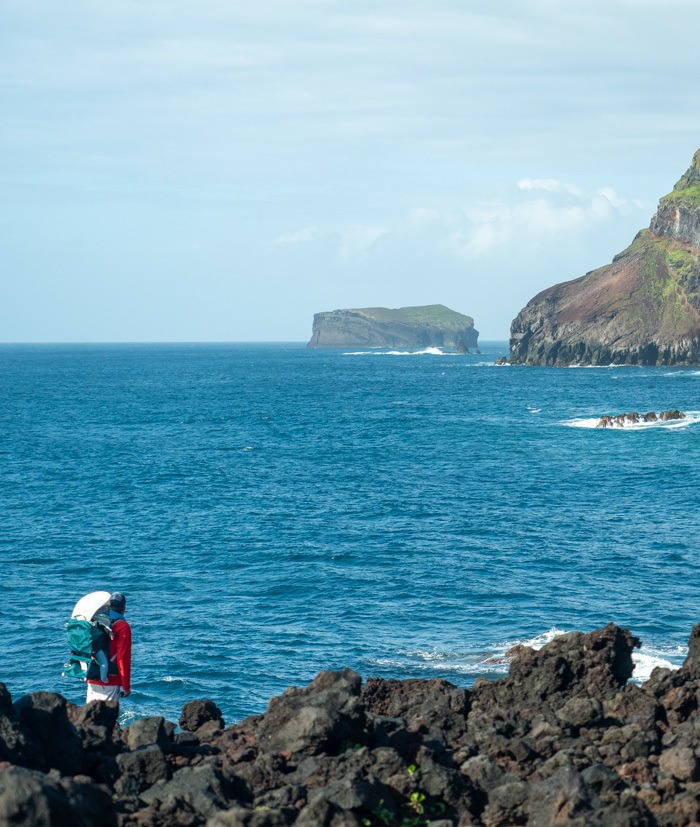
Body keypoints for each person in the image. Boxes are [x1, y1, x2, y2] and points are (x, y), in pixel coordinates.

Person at [86, 592, 132, 704]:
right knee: (107, 719)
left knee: (90, 718)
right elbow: (122, 658)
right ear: (124, 607)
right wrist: (126, 686)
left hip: (92, 677)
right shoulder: (122, 626)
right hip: (110, 681)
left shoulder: (96, 621)